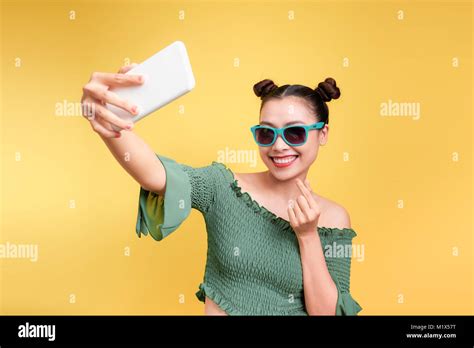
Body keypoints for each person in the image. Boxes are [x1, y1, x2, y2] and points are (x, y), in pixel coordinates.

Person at [80, 63, 362, 316]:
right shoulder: (223, 187)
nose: (278, 146)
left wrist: (308, 235)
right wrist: (105, 117)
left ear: (322, 133)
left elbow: (326, 313)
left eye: (295, 132)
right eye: (266, 133)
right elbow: (156, 174)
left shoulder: (334, 218)